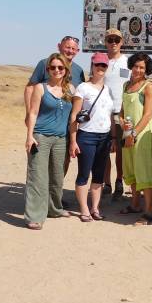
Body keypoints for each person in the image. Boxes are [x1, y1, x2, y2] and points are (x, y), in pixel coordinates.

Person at [24, 53, 75, 229]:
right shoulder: (40, 88)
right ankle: (35, 216)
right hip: (41, 137)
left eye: (60, 68)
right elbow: (33, 112)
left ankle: (54, 208)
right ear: (47, 70)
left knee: (57, 177)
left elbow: (76, 114)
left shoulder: (70, 90)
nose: (56, 70)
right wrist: (29, 135)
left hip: (61, 139)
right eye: (52, 67)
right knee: (37, 176)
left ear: (66, 70)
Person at [69, 53, 115, 222]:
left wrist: (113, 138)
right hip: (87, 136)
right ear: (92, 66)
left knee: (99, 175)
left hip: (104, 137)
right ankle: (84, 209)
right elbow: (74, 115)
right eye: (98, 65)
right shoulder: (83, 88)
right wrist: (73, 141)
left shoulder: (107, 89)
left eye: (103, 65)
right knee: (83, 174)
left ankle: (95, 208)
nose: (100, 68)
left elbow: (109, 115)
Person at [119, 52, 152, 225]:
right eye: (136, 66)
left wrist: (133, 134)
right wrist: (122, 125)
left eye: (142, 67)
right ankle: (134, 204)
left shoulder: (148, 87)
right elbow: (121, 112)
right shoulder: (126, 85)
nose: (138, 70)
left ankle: (148, 211)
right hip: (127, 135)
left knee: (144, 171)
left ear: (146, 69)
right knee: (131, 169)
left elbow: (148, 114)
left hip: (141, 136)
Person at [24, 36, 85, 127]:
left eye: (73, 49)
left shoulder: (79, 70)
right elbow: (29, 88)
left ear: (77, 51)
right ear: (59, 46)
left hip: (67, 124)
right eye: (67, 47)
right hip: (44, 122)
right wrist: (29, 113)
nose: (70, 51)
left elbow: (80, 97)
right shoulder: (45, 64)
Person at [102, 28, 129, 199]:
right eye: (110, 39)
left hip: (121, 112)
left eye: (116, 40)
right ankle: (107, 183)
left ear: (121, 42)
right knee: (104, 150)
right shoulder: (99, 61)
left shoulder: (127, 62)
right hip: (103, 112)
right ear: (105, 41)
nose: (113, 42)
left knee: (120, 150)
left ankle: (119, 181)